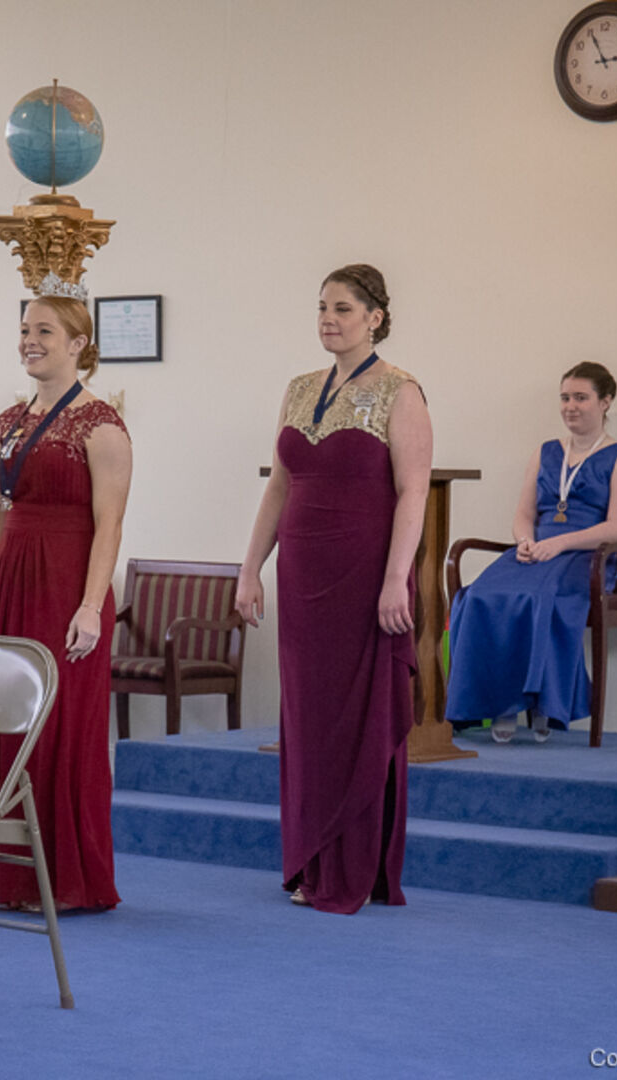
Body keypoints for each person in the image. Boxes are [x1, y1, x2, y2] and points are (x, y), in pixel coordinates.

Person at [235, 264, 433, 914]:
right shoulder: (299, 389)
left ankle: (353, 868)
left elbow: (413, 493)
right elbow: (279, 485)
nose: (329, 319)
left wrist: (396, 579)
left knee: (355, 718)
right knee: (307, 718)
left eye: (343, 308)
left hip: (364, 576)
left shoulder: (401, 390)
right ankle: (310, 859)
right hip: (302, 578)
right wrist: (250, 567)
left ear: (375, 317)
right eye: (323, 307)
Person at [0, 287, 132, 912]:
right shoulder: (7, 423)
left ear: (78, 344)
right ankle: (10, 873)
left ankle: (67, 878)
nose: (30, 340)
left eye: (45, 331)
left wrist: (90, 605)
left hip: (67, 584)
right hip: (10, 583)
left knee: (56, 728)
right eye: (26, 329)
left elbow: (110, 524)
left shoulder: (102, 425)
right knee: (2, 716)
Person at [444, 362, 617, 742]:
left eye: (581, 398)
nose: (571, 406)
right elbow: (524, 514)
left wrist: (560, 543)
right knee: (479, 595)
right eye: (565, 398)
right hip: (537, 551)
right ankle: (498, 703)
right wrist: (524, 541)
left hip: (585, 557)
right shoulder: (545, 452)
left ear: (605, 402)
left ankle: (538, 703)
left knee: (537, 598)